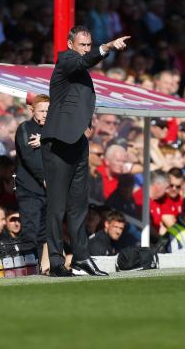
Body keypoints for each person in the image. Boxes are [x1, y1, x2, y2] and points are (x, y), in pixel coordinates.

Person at [41, 25, 130, 277]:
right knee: (57, 207)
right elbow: (84, 62)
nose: (86, 50)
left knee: (80, 207)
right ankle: (56, 261)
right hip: (58, 142)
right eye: (82, 45)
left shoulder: (79, 66)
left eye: (89, 45)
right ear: (70, 45)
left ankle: (81, 257)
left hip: (77, 142)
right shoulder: (66, 60)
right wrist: (107, 47)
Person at [14, 94, 49, 265]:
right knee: (30, 232)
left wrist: (47, 141)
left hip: (48, 192)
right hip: (29, 190)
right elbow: (29, 157)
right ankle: (27, 269)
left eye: (48, 111)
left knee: (44, 234)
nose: (45, 114)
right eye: (41, 111)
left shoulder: (52, 132)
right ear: (32, 110)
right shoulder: (25, 128)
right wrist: (44, 177)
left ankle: (40, 269)